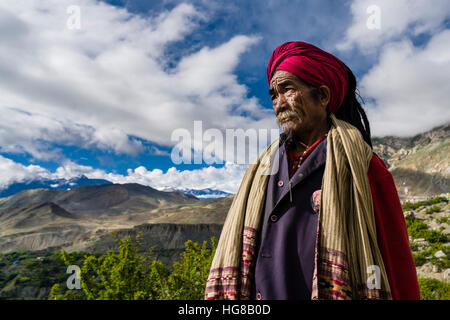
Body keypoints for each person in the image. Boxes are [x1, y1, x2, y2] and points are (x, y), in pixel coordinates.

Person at [205, 41, 420, 300]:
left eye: (288, 90)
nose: (279, 103)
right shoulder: (262, 170)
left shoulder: (365, 168)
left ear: (323, 96)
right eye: (274, 95)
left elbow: (395, 264)